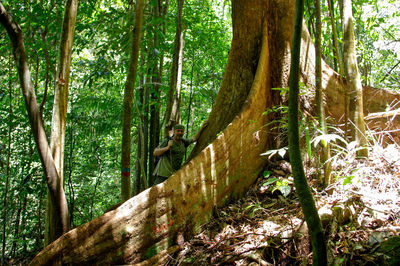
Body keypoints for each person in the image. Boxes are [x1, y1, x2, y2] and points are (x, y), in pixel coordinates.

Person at [152, 121, 208, 185]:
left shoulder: (183, 142)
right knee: (156, 190)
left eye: (181, 131)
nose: (180, 133)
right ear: (174, 132)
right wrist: (167, 147)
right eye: (178, 131)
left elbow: (194, 139)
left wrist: (202, 128)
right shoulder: (167, 141)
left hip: (175, 174)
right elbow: (155, 152)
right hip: (164, 173)